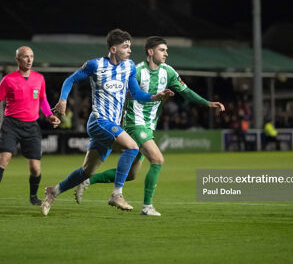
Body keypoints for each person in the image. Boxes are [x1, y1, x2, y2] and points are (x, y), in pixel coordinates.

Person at [73, 36, 225, 216]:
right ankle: (147, 207)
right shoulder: (136, 71)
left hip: (149, 125)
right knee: (158, 159)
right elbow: (122, 92)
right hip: (134, 123)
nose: (166, 53)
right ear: (150, 52)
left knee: (131, 174)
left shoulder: (168, 72)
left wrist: (207, 103)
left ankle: (87, 180)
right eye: (162, 50)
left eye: (166, 50)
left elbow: (186, 92)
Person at [40, 29, 174, 216]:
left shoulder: (129, 67)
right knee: (132, 147)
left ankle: (53, 192)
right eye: (125, 46)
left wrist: (155, 97)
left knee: (86, 172)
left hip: (112, 125)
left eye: (129, 46)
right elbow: (70, 80)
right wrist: (63, 100)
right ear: (113, 48)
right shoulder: (95, 65)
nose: (129, 50)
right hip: (98, 121)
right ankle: (116, 194)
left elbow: (135, 94)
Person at [0, 46, 61, 205]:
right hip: (11, 124)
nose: (29, 60)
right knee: (4, 158)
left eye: (31, 56)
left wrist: (49, 116)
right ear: (17, 59)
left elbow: (42, 100)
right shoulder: (8, 79)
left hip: (31, 126)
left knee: (35, 168)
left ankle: (33, 197)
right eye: (25, 57)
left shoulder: (39, 78)